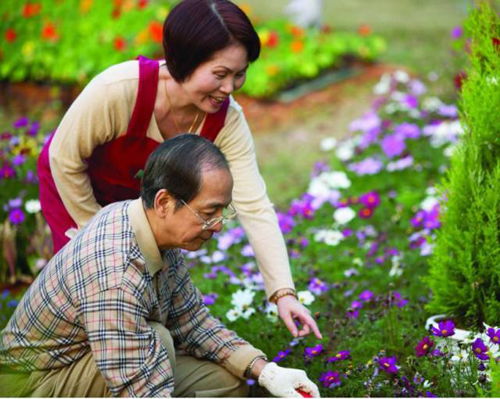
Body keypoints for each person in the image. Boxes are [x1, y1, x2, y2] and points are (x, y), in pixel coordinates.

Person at [37, 0, 321, 340]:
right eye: (219, 74)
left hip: (145, 209)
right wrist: (99, 238)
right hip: (77, 193)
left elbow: (254, 205)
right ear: (183, 61)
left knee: (145, 299)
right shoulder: (119, 90)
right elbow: (64, 159)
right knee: (93, 293)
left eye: (240, 74)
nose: (229, 88)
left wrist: (283, 293)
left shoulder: (226, 120)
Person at [1, 135, 320, 397]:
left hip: (102, 359)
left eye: (223, 211)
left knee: (228, 384)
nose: (218, 225)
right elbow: (136, 386)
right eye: (209, 212)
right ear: (165, 202)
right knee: (159, 339)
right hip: (35, 382)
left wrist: (266, 371)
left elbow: (191, 321)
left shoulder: (152, 228)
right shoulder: (115, 273)